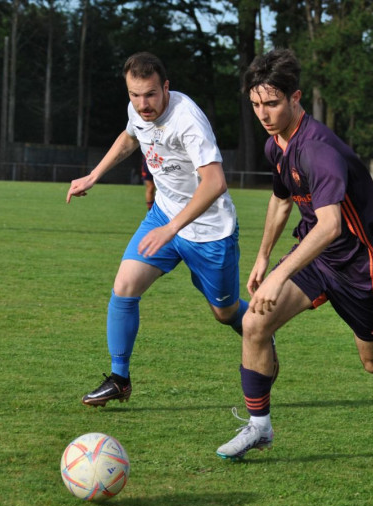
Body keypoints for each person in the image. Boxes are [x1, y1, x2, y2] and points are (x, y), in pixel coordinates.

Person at [216, 48, 373, 460]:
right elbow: (282, 201)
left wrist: (278, 277)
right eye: (257, 104)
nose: (264, 114)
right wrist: (264, 258)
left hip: (360, 268)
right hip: (316, 258)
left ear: (296, 98)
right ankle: (259, 427)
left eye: (273, 103)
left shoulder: (317, 150)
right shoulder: (275, 145)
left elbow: (331, 226)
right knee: (254, 325)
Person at [66, 51, 248, 407]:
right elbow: (130, 136)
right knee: (124, 286)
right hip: (164, 216)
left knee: (224, 313)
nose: (142, 104)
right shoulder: (137, 109)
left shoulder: (187, 120)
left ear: (166, 87)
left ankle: (259, 331)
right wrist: (93, 175)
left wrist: (173, 229)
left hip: (209, 230)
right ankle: (120, 379)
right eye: (134, 95)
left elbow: (215, 183)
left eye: (150, 94)